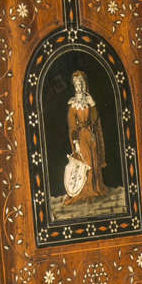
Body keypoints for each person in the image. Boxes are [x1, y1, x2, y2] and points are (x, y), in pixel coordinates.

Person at [63, 70, 107, 206]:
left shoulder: (89, 100)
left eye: (81, 83)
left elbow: (94, 120)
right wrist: (75, 142)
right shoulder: (72, 103)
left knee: (93, 161)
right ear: (74, 86)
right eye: (76, 84)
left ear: (84, 84)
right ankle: (84, 192)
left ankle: (94, 189)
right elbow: (72, 125)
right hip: (81, 137)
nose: (79, 87)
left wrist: (93, 105)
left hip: (91, 135)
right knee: (85, 163)